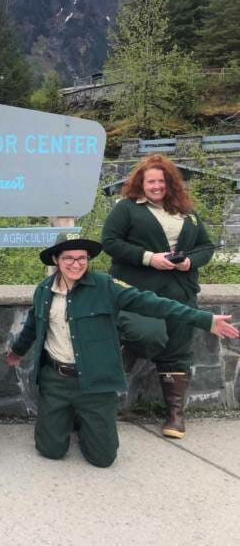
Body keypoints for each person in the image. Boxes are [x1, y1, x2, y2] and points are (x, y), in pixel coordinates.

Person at [6, 232, 238, 467]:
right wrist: (17, 351)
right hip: (56, 381)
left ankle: (87, 422)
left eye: (82, 258)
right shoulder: (44, 290)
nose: (76, 264)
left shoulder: (106, 286)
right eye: (69, 258)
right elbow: (33, 326)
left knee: (103, 459)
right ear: (56, 260)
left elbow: (154, 304)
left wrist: (204, 320)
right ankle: (67, 418)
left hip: (96, 383)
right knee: (51, 451)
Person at [101, 154, 215, 439]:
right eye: (151, 181)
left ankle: (175, 415)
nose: (157, 186)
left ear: (171, 183)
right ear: (141, 182)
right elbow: (110, 242)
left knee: (178, 349)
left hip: (180, 289)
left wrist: (189, 262)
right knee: (146, 334)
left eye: (162, 181)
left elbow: (206, 246)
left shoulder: (186, 211)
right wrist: (149, 258)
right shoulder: (126, 208)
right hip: (139, 289)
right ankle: (104, 397)